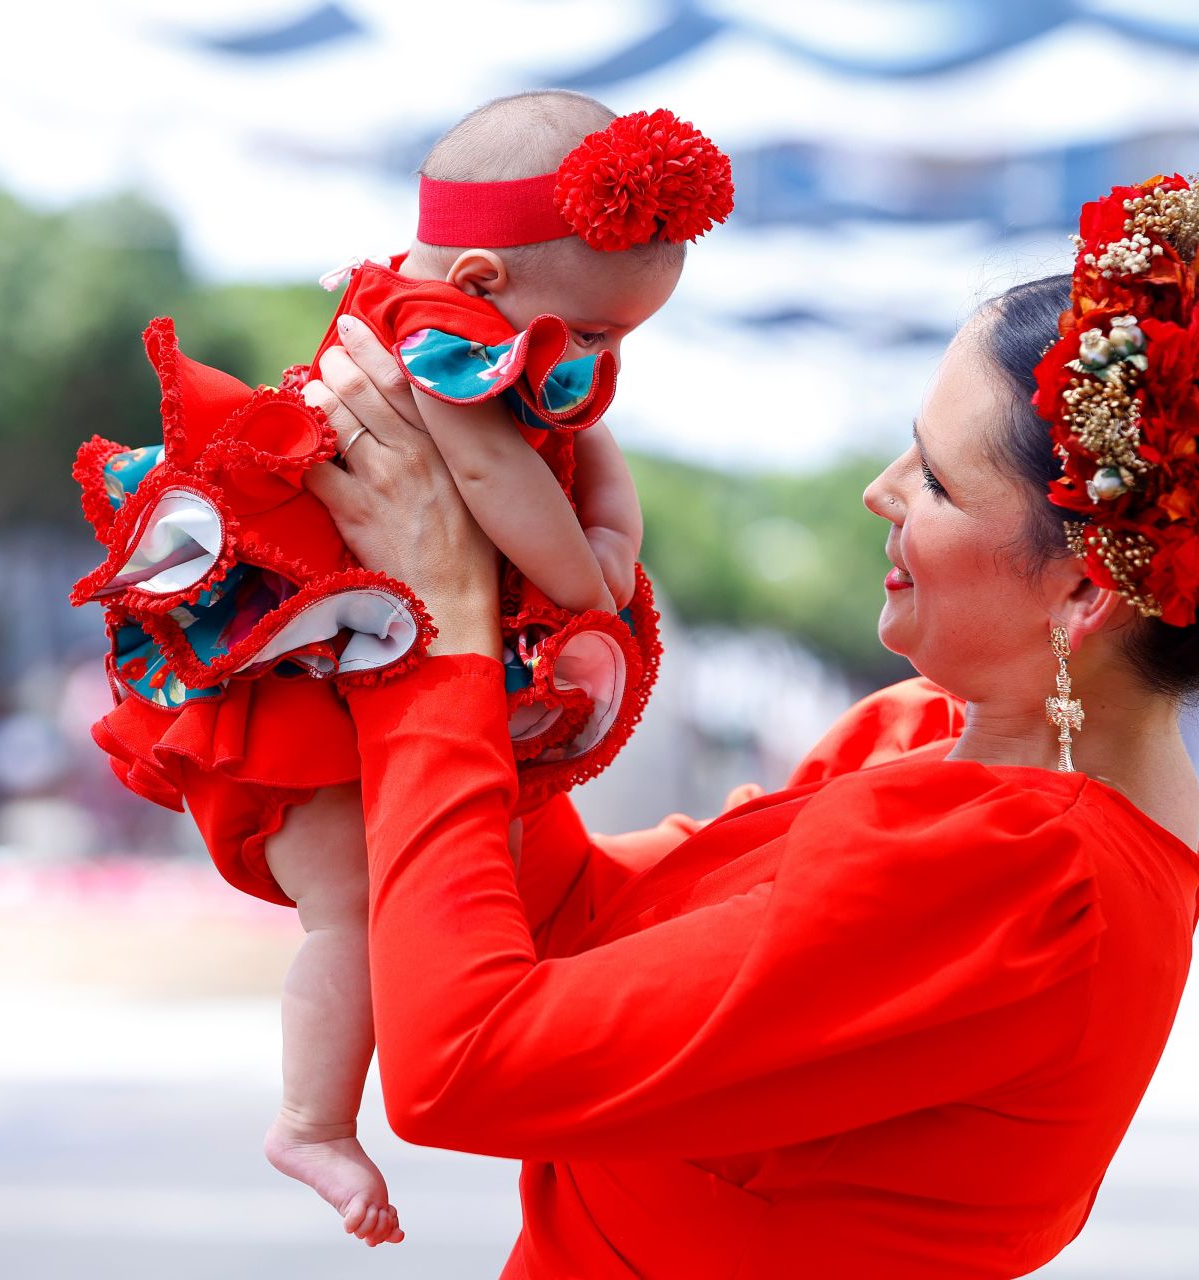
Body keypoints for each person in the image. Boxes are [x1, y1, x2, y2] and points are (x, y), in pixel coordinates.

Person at [288, 174, 1199, 1276]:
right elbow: (579, 927)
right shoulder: (929, 734)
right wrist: (479, 558)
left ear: (1082, 594)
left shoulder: (1026, 872)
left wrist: (435, 636)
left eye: (934, 478)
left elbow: (465, 1064)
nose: (881, 489)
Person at [67, 91, 733, 1245]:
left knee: (429, 879)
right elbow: (499, 486)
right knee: (356, 913)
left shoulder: (505, 330)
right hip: (294, 690)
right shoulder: (430, 346)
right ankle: (311, 1118)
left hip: (359, 657)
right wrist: (589, 576)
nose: (602, 365)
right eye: (596, 334)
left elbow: (587, 447)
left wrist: (615, 537)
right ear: (478, 284)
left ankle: (331, 1105)